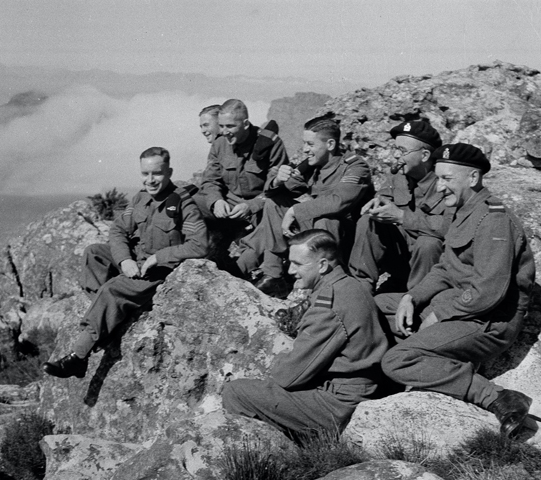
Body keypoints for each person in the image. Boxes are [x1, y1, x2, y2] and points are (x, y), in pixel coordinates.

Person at [377, 143, 535, 438]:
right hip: (463, 307)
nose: (439, 187)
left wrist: (440, 313)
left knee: (397, 360)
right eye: (438, 178)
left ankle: (498, 397)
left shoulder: (493, 219)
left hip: (489, 321)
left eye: (447, 179)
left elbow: (489, 291)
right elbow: (445, 268)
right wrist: (413, 298)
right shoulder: (464, 211)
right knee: (376, 306)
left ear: (473, 178)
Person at [43, 147, 208, 378]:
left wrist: (158, 257)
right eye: (145, 174)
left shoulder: (182, 204)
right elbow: (118, 229)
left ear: (169, 172)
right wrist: (124, 259)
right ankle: (107, 320)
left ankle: (78, 357)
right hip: (135, 260)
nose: (150, 180)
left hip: (158, 272)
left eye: (157, 174)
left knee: (111, 289)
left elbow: (199, 245)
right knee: (94, 253)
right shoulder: (141, 198)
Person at [223, 229, 388, 440]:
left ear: (322, 266)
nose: (290, 270)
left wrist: (277, 359)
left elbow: (288, 377)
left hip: (339, 404)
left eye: (298, 264)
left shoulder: (328, 305)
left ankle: (265, 458)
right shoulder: (351, 284)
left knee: (236, 392)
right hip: (361, 389)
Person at [236, 116, 373, 297]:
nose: (305, 149)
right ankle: (273, 275)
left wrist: (295, 211)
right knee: (274, 204)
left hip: (345, 240)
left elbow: (339, 202)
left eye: (310, 144)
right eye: (304, 144)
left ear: (330, 144)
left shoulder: (355, 166)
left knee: (326, 219)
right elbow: (275, 194)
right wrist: (277, 179)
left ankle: (325, 281)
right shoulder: (312, 166)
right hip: (317, 233)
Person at [348, 120, 452, 294]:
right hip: (403, 260)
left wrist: (402, 217)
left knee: (428, 243)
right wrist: (377, 205)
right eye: (395, 149)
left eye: (402, 151)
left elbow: (451, 227)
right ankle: (360, 290)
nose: (395, 156)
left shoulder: (446, 183)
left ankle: (419, 300)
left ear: (425, 155)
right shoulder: (398, 176)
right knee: (368, 222)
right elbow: (383, 196)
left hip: (433, 268)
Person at [195, 99, 289, 227]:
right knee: (187, 204)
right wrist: (216, 201)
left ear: (245, 124)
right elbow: (210, 180)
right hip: (231, 205)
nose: (224, 132)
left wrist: (252, 206)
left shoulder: (270, 144)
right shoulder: (219, 144)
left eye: (230, 126)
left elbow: (277, 188)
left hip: (260, 206)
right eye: (221, 126)